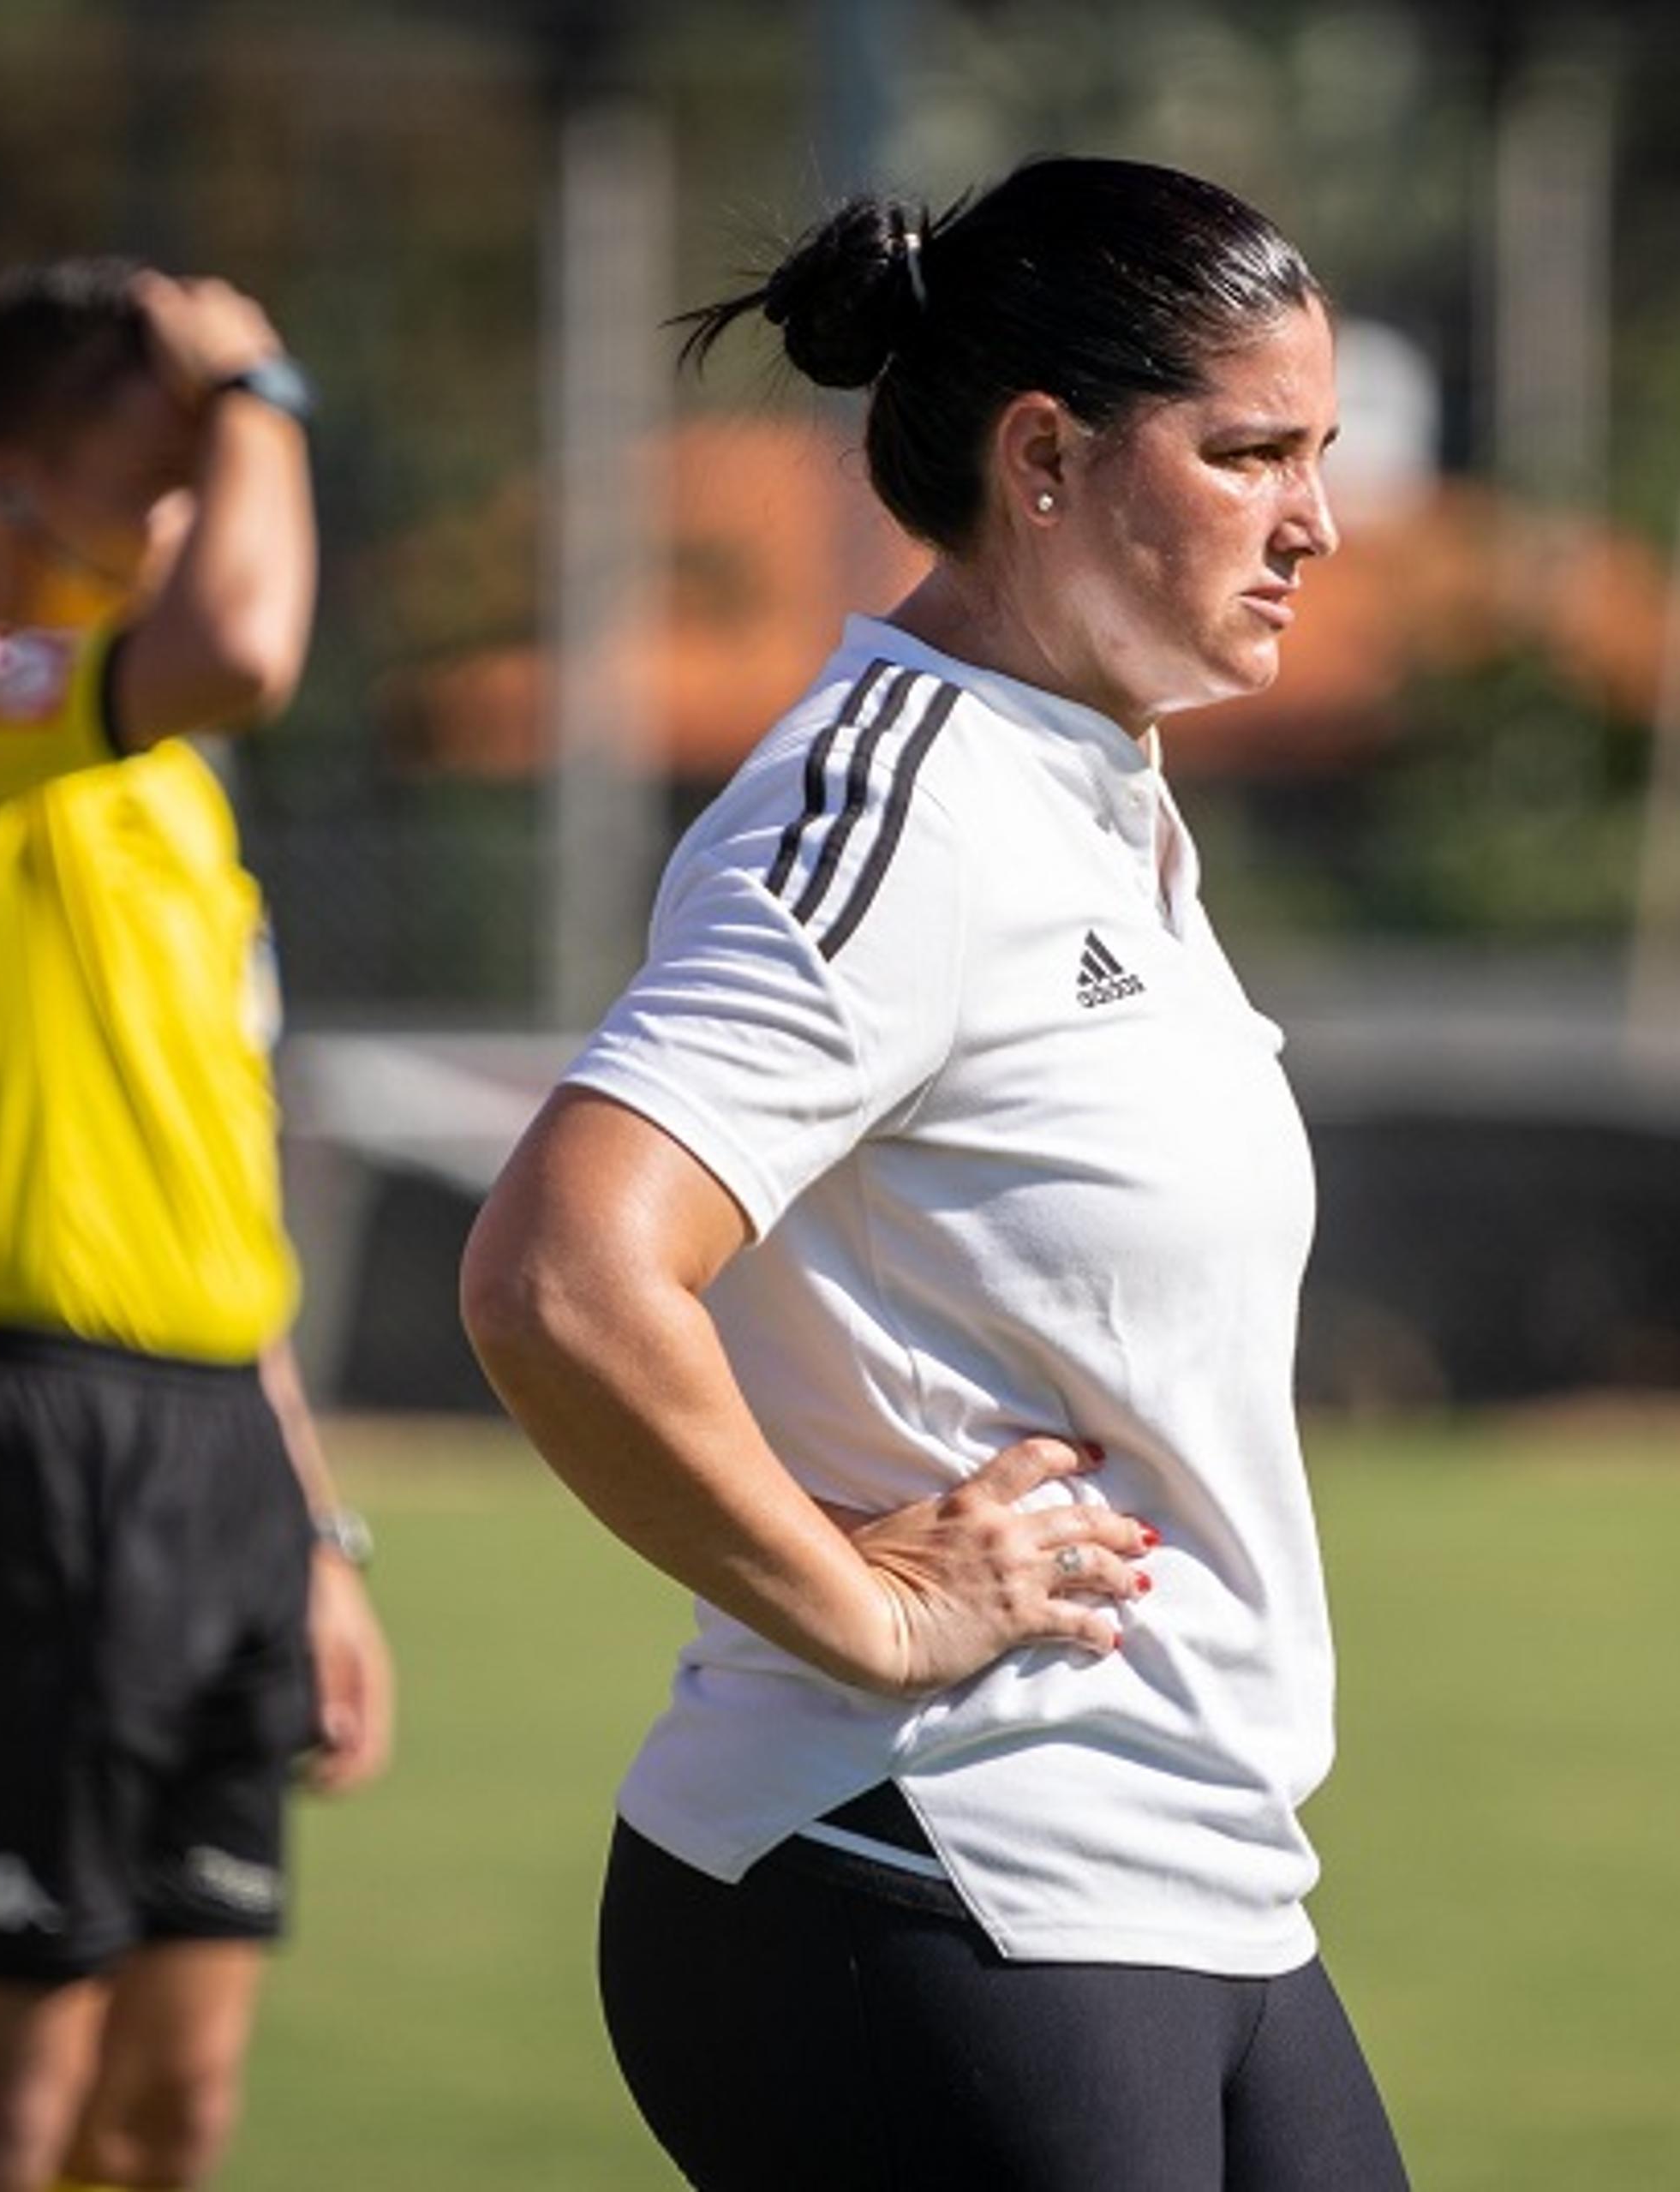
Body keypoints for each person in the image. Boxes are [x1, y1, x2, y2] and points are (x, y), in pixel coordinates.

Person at [458, 157, 1408, 2189]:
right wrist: (869, 1616)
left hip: (1193, 1873)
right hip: (925, 1864)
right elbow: (561, 1274)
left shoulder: (1100, 785)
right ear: (1045, 456)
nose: (1315, 520)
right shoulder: (892, 809)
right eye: (1251, 454)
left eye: (1317, 452)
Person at [0, 259, 395, 2192]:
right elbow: (243, 640)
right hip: (28, 1447)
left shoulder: (173, 806)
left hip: (219, 1444)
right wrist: (264, 378)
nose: (203, 507)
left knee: (165, 2120)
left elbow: (211, 1179)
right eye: (168, 467)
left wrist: (310, 1527)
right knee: (0, 2111)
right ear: (5, 488)